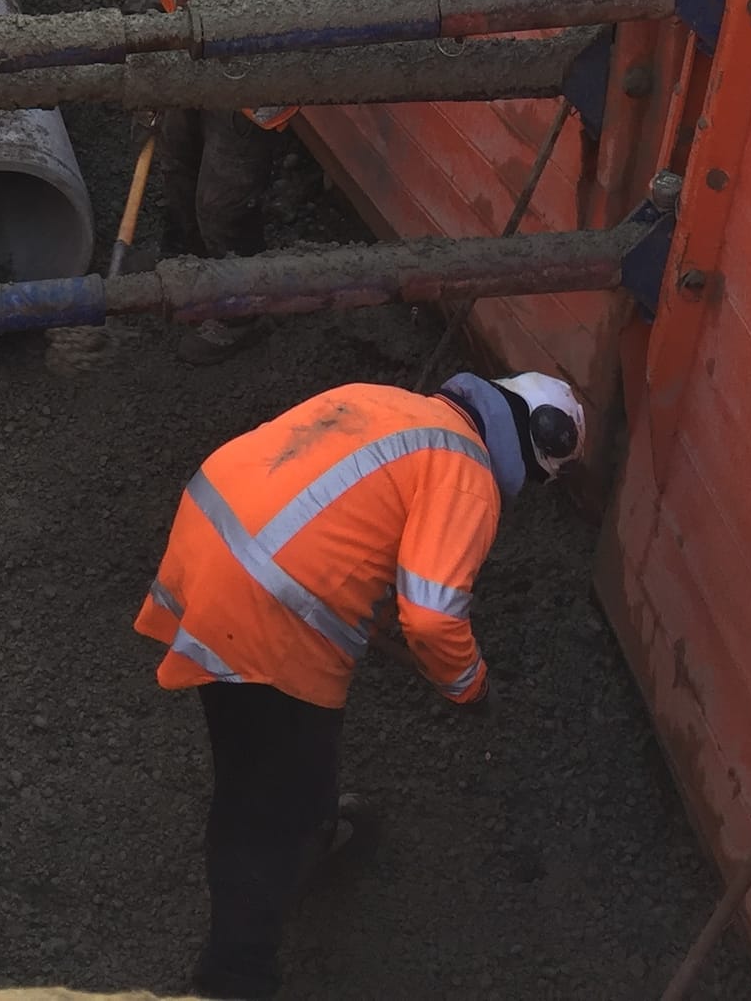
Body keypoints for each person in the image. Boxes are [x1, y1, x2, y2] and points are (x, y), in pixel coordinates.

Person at [135, 369, 587, 998]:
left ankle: (311, 839)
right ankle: (233, 977)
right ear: (536, 455)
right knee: (265, 802)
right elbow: (430, 616)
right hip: (269, 606)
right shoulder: (469, 474)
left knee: (272, 749)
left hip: (211, 542)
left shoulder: (395, 404)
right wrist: (471, 686)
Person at [134, 0, 297, 363]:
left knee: (223, 203)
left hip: (248, 84)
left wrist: (157, 86)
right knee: (179, 159)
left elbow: (198, 42)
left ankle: (241, 313)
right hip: (208, 60)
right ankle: (188, 264)